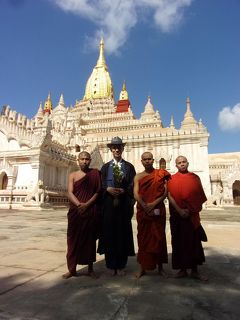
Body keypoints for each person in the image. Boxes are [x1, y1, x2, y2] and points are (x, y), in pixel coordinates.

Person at [97, 137, 136, 276]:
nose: (116, 150)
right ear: (111, 150)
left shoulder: (129, 167)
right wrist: (107, 189)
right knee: (109, 233)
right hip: (108, 205)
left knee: (122, 234)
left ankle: (120, 265)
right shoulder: (106, 167)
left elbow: (132, 184)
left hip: (123, 205)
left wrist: (125, 191)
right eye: (114, 148)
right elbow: (100, 184)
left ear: (122, 149)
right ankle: (110, 264)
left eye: (119, 147)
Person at [168, 155, 208, 281]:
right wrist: (179, 210)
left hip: (192, 217)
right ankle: (182, 270)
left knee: (194, 243)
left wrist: (190, 210)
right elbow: (169, 196)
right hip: (178, 216)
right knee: (179, 243)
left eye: (184, 162)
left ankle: (195, 270)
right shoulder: (172, 179)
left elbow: (199, 196)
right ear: (176, 165)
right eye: (179, 162)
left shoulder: (194, 178)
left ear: (188, 163)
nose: (182, 164)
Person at [62, 151, 101, 279]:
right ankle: (71, 269)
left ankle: (90, 269)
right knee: (72, 240)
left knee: (89, 241)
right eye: (82, 159)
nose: (84, 161)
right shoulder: (72, 175)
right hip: (76, 211)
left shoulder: (95, 174)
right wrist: (79, 205)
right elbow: (69, 192)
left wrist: (87, 205)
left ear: (90, 160)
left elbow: (97, 192)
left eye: (87, 159)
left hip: (89, 210)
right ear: (78, 160)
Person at [134, 152, 171, 278]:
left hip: (157, 209)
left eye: (149, 159)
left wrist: (153, 204)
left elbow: (165, 192)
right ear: (141, 161)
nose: (147, 161)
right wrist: (144, 205)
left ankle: (160, 267)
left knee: (159, 238)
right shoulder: (138, 176)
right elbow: (135, 193)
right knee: (143, 239)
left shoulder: (161, 174)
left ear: (153, 160)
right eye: (145, 159)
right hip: (143, 211)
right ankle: (142, 268)